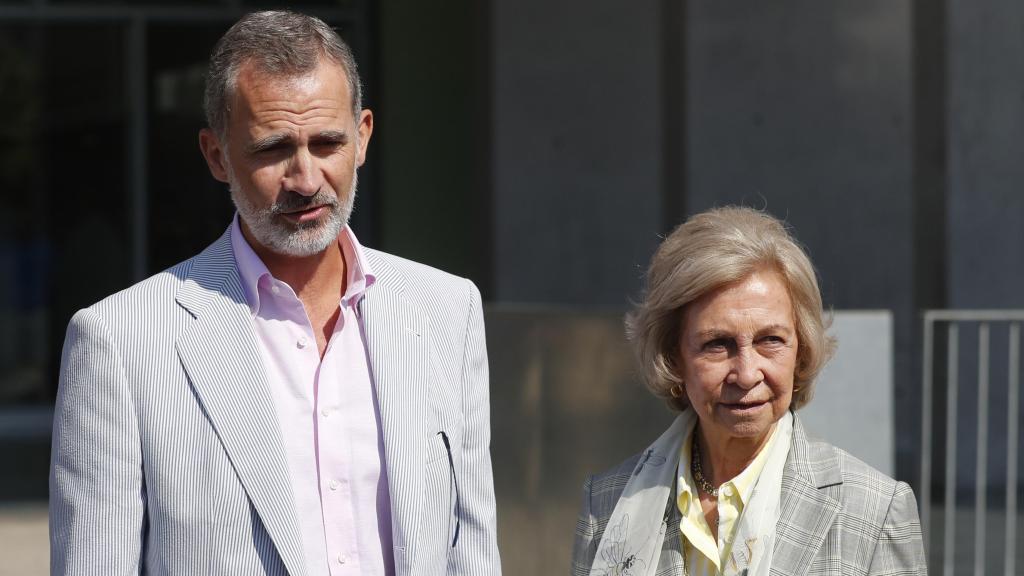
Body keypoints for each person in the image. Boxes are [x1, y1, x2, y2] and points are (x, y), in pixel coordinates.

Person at [49, 10, 500, 576]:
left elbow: (471, 550)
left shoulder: (446, 311)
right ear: (217, 156)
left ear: (362, 136)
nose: (306, 179)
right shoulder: (121, 341)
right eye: (272, 149)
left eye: (327, 143)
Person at [571, 207, 927, 576]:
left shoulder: (874, 511)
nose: (745, 374)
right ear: (674, 356)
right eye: (717, 344)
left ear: (801, 350)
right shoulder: (607, 504)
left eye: (770, 340)